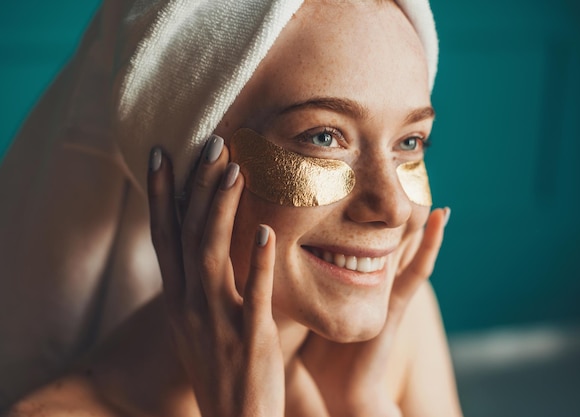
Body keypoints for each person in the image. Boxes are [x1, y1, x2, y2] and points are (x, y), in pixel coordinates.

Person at [2, 0, 463, 415]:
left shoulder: (397, 325)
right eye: (323, 137)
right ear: (191, 169)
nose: (394, 208)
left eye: (410, 141)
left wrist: (361, 403)